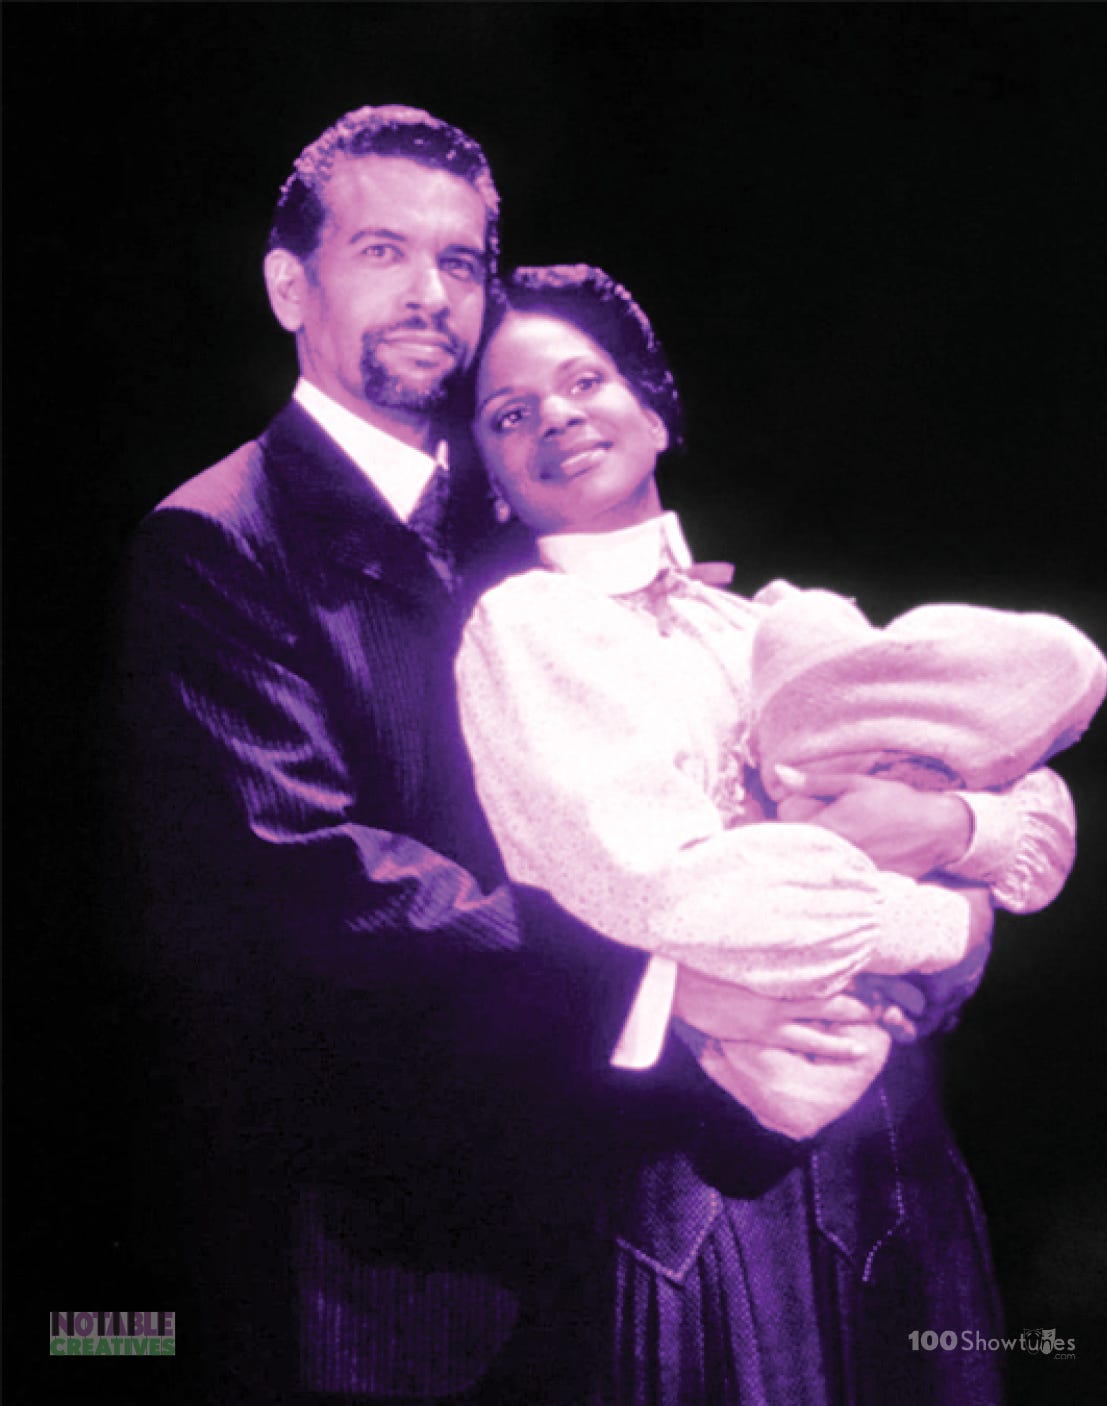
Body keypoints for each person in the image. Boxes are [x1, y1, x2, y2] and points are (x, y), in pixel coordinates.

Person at [116, 105, 916, 1406]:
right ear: (289, 286)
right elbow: (309, 877)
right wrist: (662, 980)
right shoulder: (216, 539)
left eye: (460, 260)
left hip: (630, 1208)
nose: (430, 294)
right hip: (396, 1244)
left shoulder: (527, 495)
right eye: (383, 251)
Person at [455, 264, 1094, 1401]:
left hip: (894, 1152)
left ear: (655, 410)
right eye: (509, 414)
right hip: (704, 1176)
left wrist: (949, 818)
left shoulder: (770, 621)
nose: (553, 416)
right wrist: (951, 922)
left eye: (585, 381)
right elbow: (676, 892)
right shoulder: (525, 628)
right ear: (494, 475)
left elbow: (1033, 798)